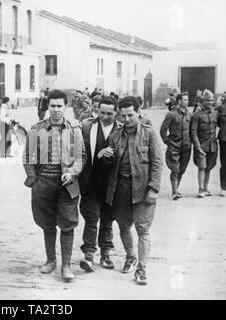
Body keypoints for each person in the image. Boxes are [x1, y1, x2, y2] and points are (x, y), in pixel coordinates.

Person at [23, 89, 86, 282]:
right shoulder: (36, 129)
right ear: (47, 106)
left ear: (65, 107)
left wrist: (72, 172)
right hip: (44, 184)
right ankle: (51, 260)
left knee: (67, 224)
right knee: (47, 224)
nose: (56, 110)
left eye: (60, 106)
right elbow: (28, 157)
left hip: (68, 185)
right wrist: (34, 179)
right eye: (53, 106)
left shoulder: (75, 130)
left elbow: (81, 157)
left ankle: (66, 266)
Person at [102, 96, 162, 285]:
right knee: (124, 225)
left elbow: (158, 163)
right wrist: (107, 156)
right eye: (123, 115)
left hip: (143, 189)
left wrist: (153, 188)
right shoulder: (115, 135)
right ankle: (130, 256)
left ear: (138, 112)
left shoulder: (149, 134)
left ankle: (142, 269)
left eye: (130, 115)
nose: (127, 119)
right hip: (121, 188)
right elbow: (109, 165)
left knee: (143, 229)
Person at [78, 95, 121, 272]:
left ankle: (106, 254)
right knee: (91, 219)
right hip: (90, 183)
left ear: (116, 112)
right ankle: (88, 255)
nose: (104, 117)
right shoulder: (87, 126)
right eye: (101, 112)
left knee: (108, 220)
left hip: (112, 185)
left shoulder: (122, 130)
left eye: (109, 113)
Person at [160, 92, 192, 200]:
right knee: (175, 169)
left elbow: (192, 130)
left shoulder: (189, 114)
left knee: (182, 169)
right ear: (179, 101)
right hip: (174, 146)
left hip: (186, 147)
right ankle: (175, 191)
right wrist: (167, 141)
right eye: (185, 100)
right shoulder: (171, 114)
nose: (187, 101)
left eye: (188, 100)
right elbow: (163, 129)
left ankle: (176, 189)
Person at [190, 90, 218, 198]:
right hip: (201, 145)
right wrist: (198, 147)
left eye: (211, 100)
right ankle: (201, 189)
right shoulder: (197, 114)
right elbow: (194, 132)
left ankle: (206, 188)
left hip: (213, 145)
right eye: (207, 100)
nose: (210, 102)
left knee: (209, 167)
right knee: (202, 167)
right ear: (203, 101)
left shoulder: (215, 113)